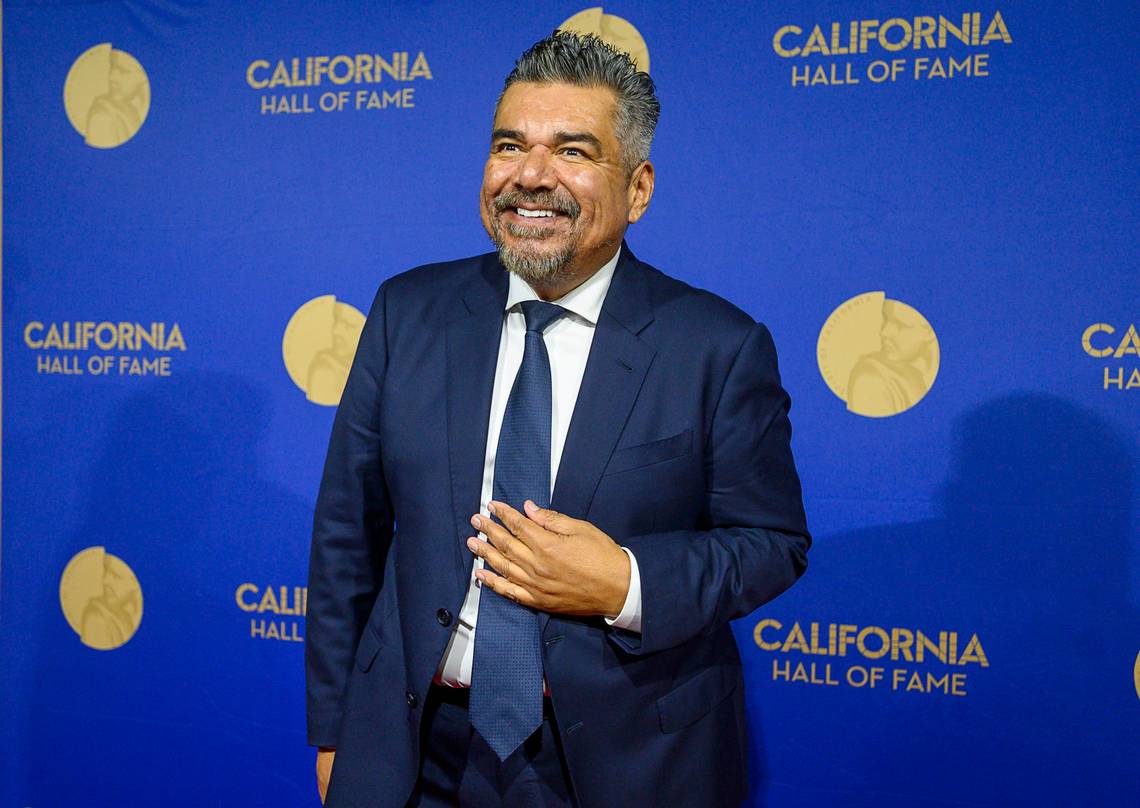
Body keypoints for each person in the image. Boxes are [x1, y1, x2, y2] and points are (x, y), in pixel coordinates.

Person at [306, 31, 810, 808]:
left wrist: (625, 582)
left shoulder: (718, 345)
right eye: (510, 145)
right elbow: (348, 538)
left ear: (638, 189)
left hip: (625, 761)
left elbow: (771, 544)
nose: (530, 176)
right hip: (413, 751)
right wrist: (336, 730)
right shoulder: (408, 310)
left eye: (573, 151)